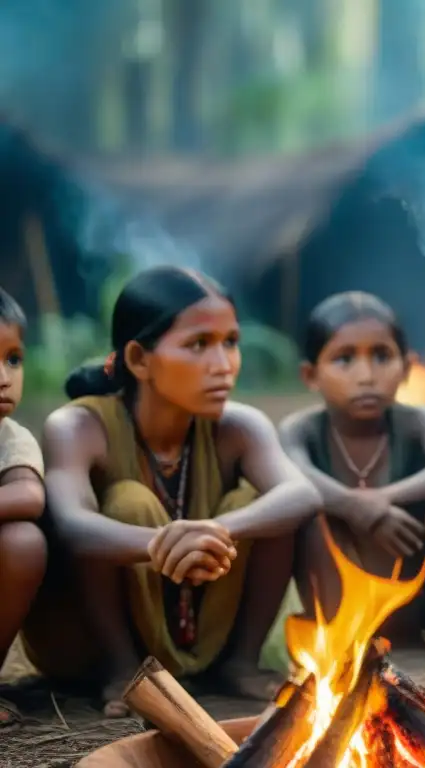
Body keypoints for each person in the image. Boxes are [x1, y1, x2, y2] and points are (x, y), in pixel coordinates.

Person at [21, 266, 321, 717]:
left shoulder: (239, 425)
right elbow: (71, 524)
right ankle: (123, 669)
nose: (224, 364)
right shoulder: (79, 426)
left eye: (231, 342)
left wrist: (215, 530)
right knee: (128, 503)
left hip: (200, 629)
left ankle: (240, 662)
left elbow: (302, 495)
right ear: (140, 359)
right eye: (198, 345)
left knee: (262, 507)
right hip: (90, 648)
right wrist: (162, 543)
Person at [279, 292, 425, 655]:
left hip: (414, 581)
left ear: (407, 367)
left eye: (382, 356)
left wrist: (378, 502)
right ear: (310, 375)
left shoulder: (417, 421)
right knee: (301, 511)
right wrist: (354, 508)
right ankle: (338, 627)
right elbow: (295, 475)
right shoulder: (302, 429)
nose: (366, 375)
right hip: (336, 588)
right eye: (344, 359)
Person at [0, 288, 47, 725]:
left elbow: (29, 496)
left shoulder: (12, 439)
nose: (5, 376)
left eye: (13, 359)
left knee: (24, 542)